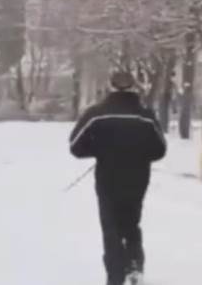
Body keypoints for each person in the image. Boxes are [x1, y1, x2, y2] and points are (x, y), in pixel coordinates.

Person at [69, 71, 167, 285]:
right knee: (132, 222)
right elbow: (160, 149)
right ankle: (134, 266)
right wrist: (138, 154)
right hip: (138, 177)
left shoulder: (96, 114)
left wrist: (100, 150)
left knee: (111, 225)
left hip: (108, 177)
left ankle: (115, 276)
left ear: (110, 87)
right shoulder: (145, 115)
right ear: (134, 87)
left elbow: (75, 146)